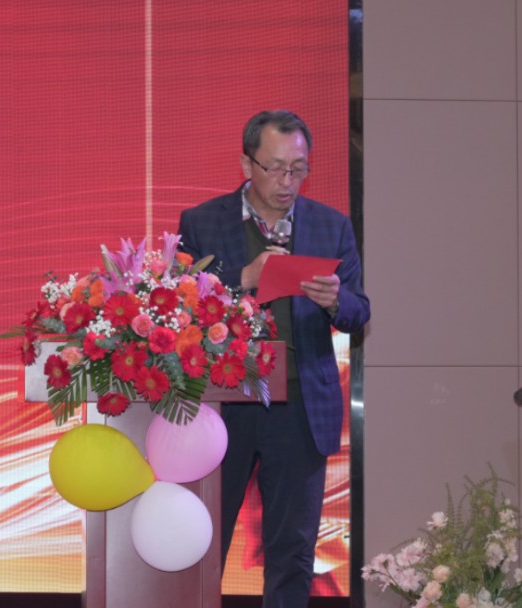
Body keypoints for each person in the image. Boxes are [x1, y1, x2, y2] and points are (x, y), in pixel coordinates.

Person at [177, 110, 370, 607]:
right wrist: (245, 276)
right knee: (202, 543)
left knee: (293, 551)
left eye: (298, 169)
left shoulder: (331, 225)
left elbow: (359, 312)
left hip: (300, 404)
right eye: (276, 168)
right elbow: (178, 305)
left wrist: (335, 301)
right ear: (248, 164)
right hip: (223, 403)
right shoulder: (201, 222)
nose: (288, 182)